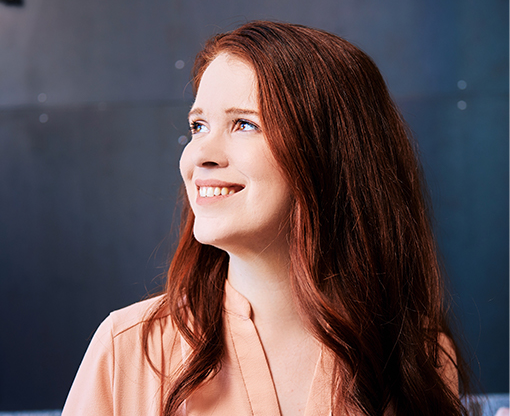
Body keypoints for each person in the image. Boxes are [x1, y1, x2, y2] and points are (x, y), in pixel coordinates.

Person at [62, 20, 470, 415]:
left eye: (244, 124)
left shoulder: (421, 357)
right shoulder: (125, 349)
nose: (200, 155)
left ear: (331, 153)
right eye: (198, 125)